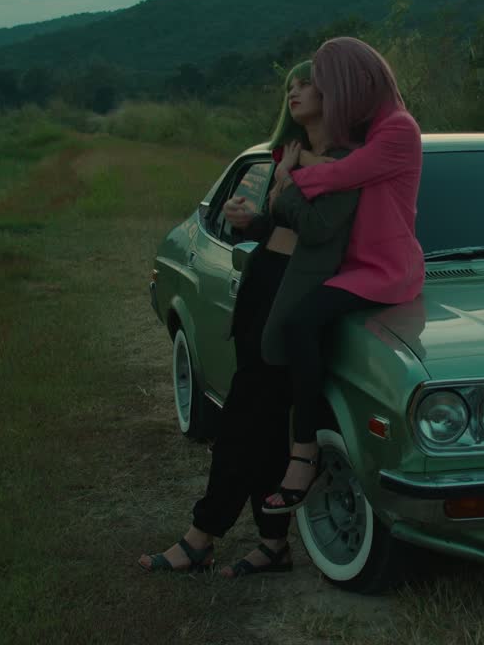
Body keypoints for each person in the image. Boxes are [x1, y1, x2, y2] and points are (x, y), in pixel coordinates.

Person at [138, 61, 361, 576]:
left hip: (295, 290)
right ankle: (272, 542)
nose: (294, 91)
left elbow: (323, 234)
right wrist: (254, 217)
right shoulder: (288, 153)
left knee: (242, 421)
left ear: (336, 93)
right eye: (290, 85)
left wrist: (290, 183)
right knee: (259, 424)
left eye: (306, 83)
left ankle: (201, 535)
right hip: (262, 281)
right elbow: (279, 228)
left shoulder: (348, 161)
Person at [261, 37, 424, 514]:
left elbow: (342, 175)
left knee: (298, 324)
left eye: (329, 86)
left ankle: (304, 452)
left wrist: (292, 168)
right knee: (292, 327)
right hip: (352, 267)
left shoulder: (398, 129)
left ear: (353, 82)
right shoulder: (366, 131)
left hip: (385, 270)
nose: (326, 96)